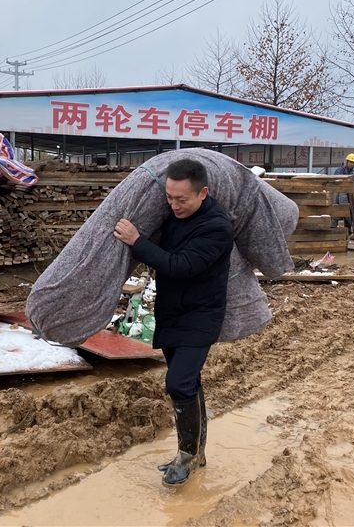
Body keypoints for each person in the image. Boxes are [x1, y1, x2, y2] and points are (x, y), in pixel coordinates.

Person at [113, 159, 233, 487]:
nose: (174, 205)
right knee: (189, 382)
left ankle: (186, 455)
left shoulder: (217, 227)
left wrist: (137, 241)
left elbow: (180, 265)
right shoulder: (173, 216)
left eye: (182, 199)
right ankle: (197, 454)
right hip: (171, 310)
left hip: (200, 314)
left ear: (203, 193)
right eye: (169, 197)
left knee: (178, 384)